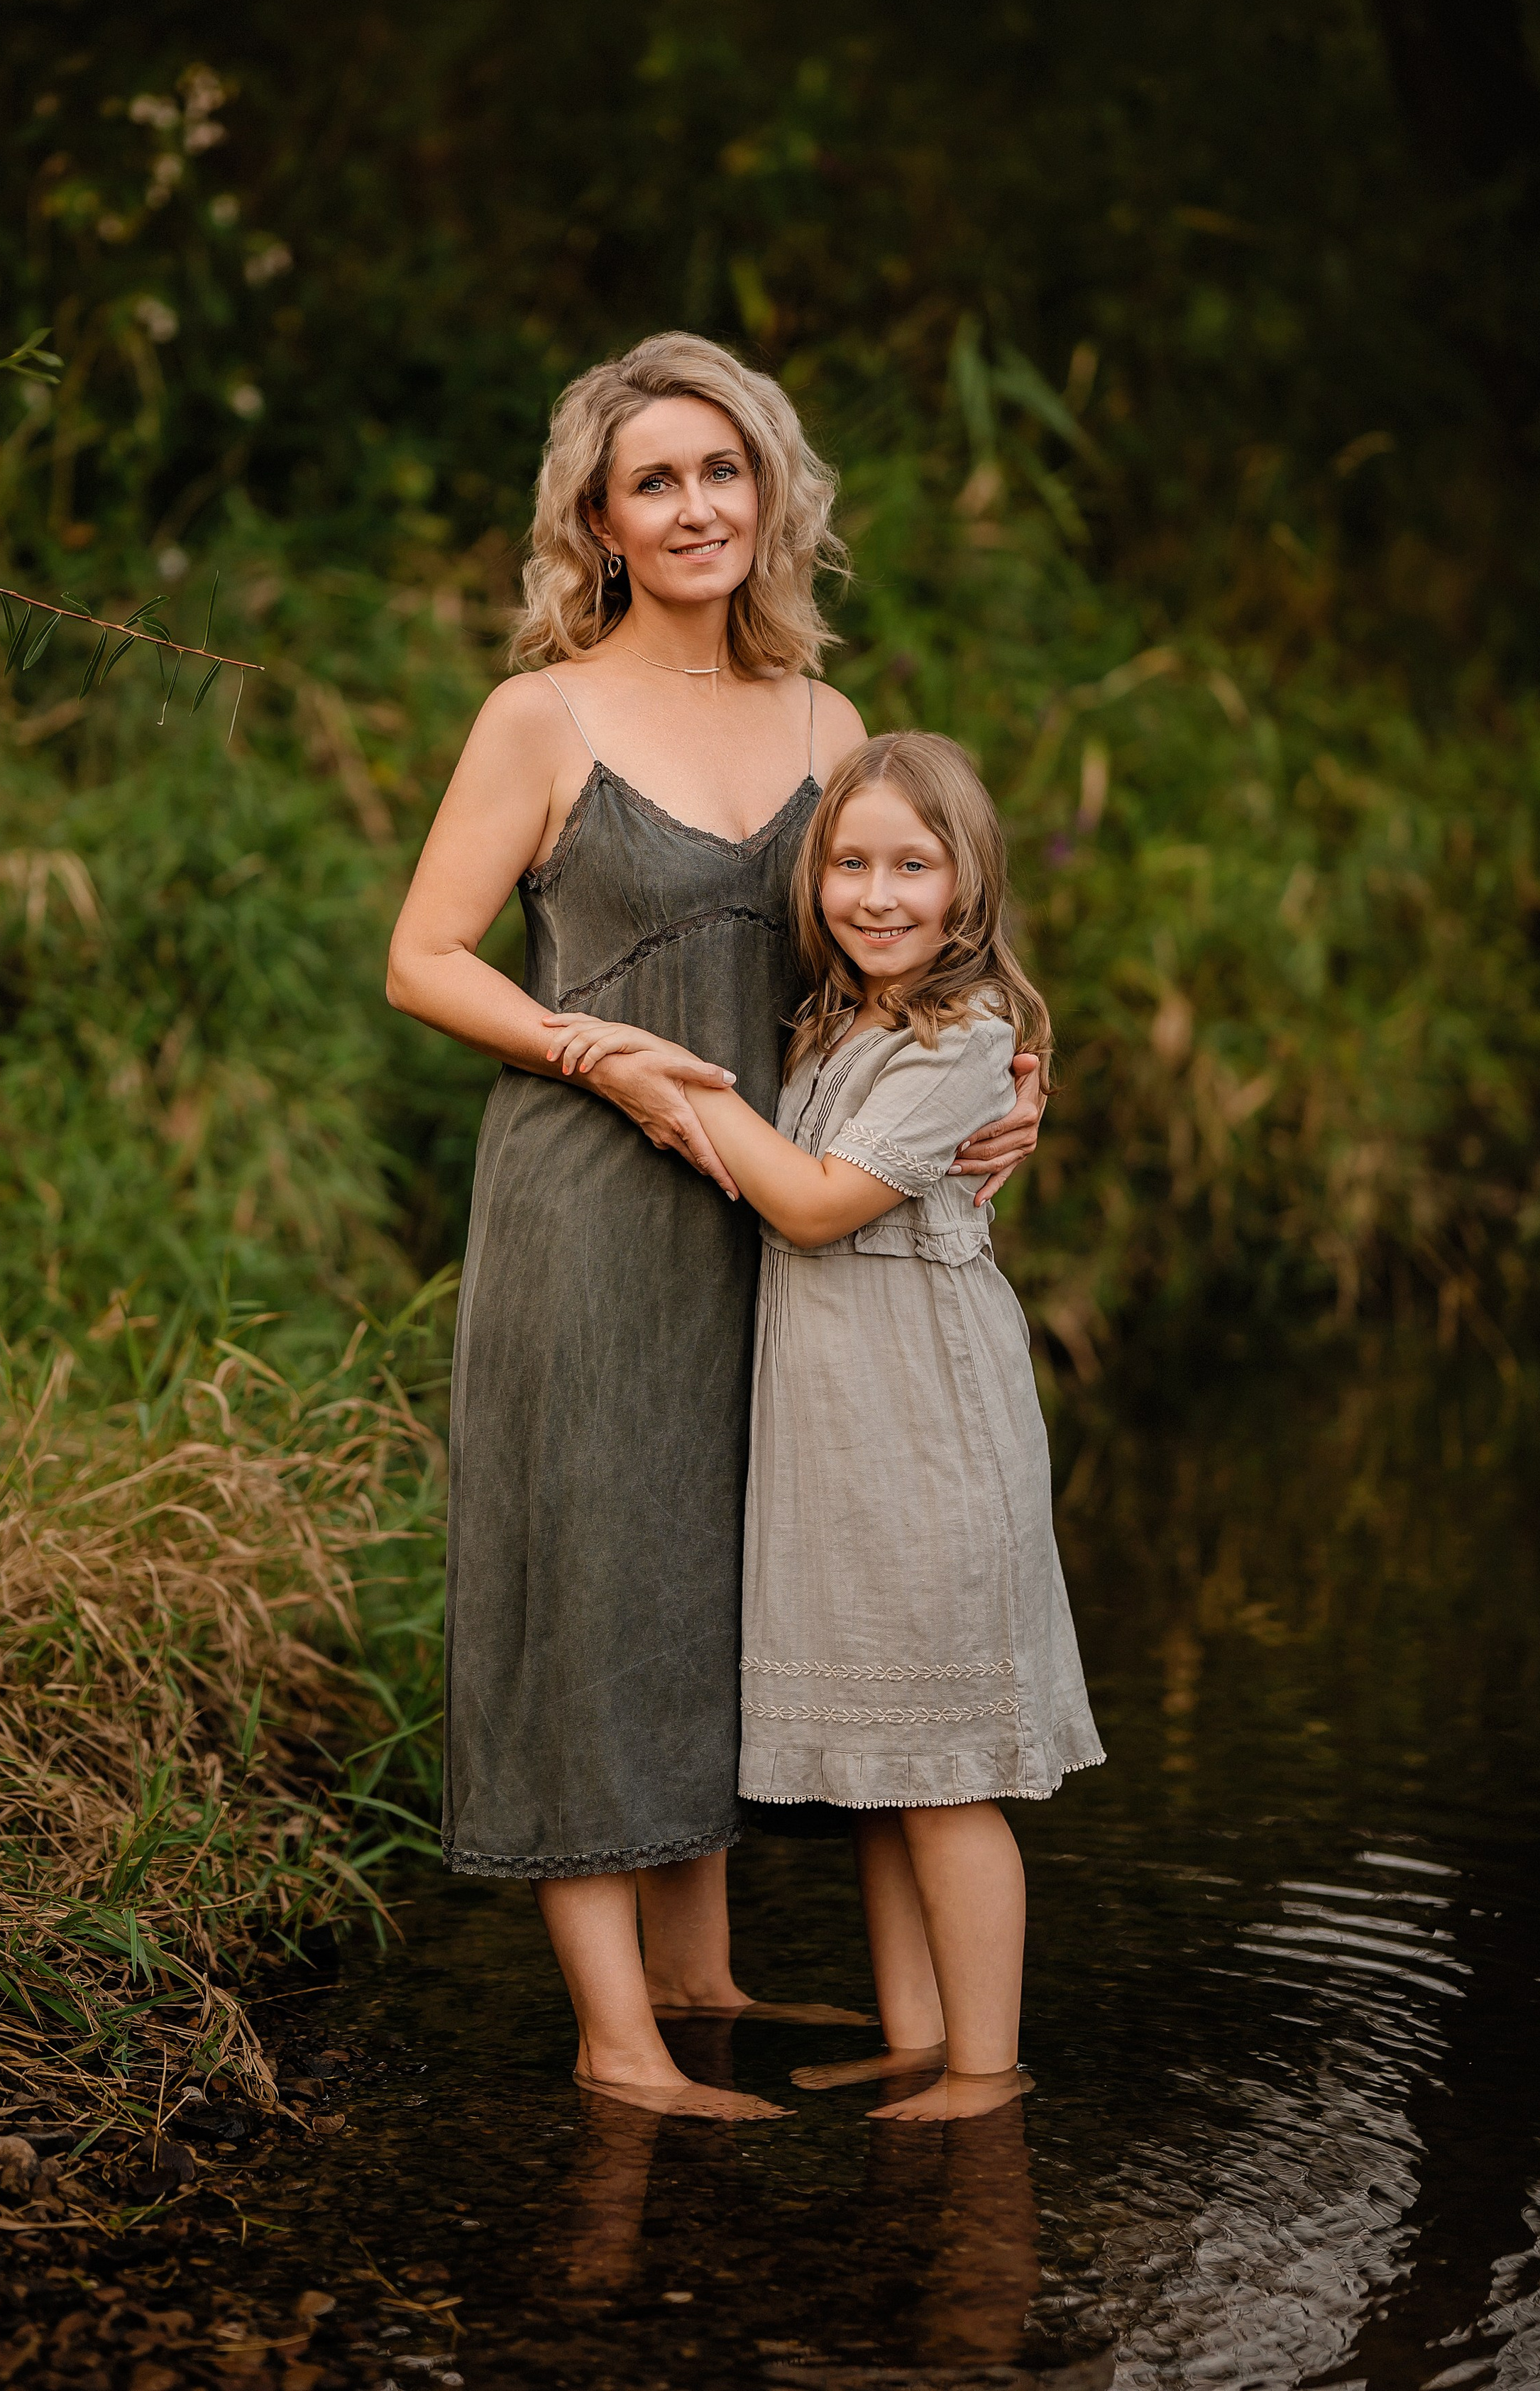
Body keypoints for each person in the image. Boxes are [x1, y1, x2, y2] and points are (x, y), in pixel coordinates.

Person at [387, 338, 1046, 2119]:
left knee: (725, 1580)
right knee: (594, 1584)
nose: (693, 509)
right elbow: (421, 958)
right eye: (651, 483)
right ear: (595, 523)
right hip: (594, 1207)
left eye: (720, 472)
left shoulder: (828, 723)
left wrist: (1012, 1081)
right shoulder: (541, 714)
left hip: (783, 1219)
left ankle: (702, 1974)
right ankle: (618, 2049)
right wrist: (603, 1061)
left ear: (770, 499)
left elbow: (906, 939)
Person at [544, 730, 1101, 2121]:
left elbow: (805, 1203)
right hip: (843, 1430)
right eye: (848, 865)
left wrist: (674, 1087)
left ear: (968, 887)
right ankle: (915, 2039)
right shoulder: (836, 1016)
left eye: (912, 866)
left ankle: (984, 2067)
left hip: (925, 1428)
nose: (875, 895)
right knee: (884, 1763)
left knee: (948, 1770)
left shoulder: (966, 1037)